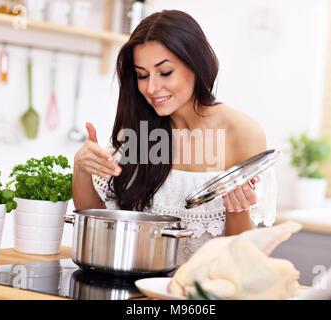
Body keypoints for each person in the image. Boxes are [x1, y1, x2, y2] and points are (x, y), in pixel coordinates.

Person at [72, 9, 277, 264]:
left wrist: (238, 208)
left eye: (165, 72)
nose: (151, 88)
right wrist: (81, 168)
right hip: (138, 287)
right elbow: (102, 221)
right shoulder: (139, 128)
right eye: (142, 75)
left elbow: (244, 260)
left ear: (195, 64)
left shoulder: (242, 132)